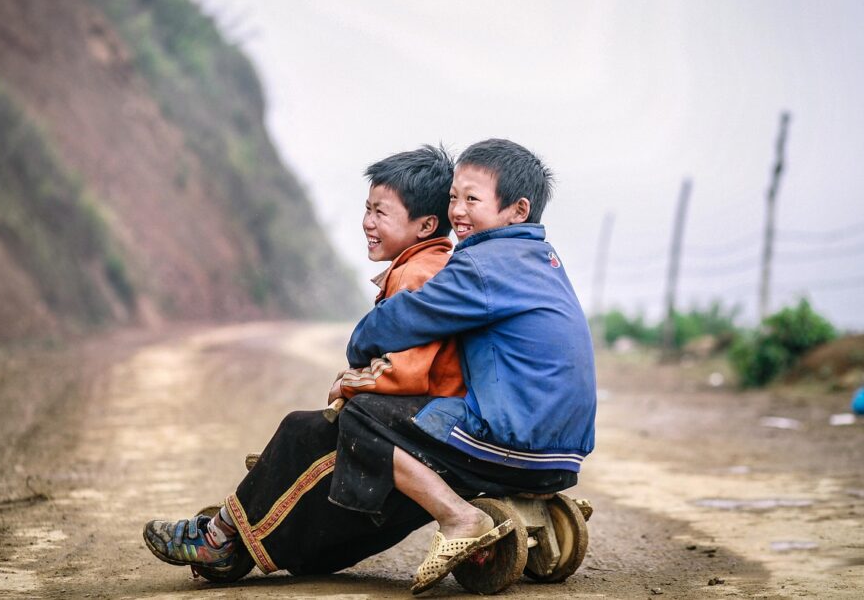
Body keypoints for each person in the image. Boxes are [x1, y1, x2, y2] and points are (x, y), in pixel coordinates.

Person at [143, 145, 466, 579]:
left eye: (381, 213)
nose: (368, 222)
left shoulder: (417, 274)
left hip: (425, 420)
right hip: (425, 414)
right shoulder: (428, 266)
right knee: (311, 434)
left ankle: (219, 537)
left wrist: (349, 384)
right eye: (367, 209)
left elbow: (407, 370)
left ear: (425, 225)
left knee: (301, 430)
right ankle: (236, 527)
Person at [338, 138, 597, 592]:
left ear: (517, 210)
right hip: (566, 456)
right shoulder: (541, 258)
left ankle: (459, 519)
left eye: (471, 199)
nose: (457, 210)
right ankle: (527, 497)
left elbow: (405, 318)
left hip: (513, 443)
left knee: (363, 417)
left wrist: (359, 344)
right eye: (454, 197)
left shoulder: (483, 264)